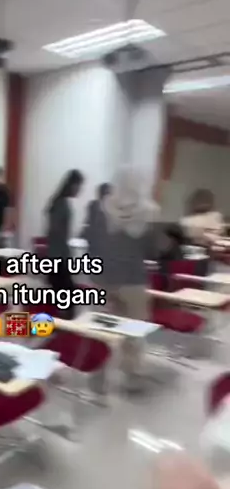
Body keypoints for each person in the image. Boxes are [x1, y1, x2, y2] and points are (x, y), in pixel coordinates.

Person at [102, 165, 158, 385]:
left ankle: (99, 369)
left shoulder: (106, 205)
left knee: (104, 326)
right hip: (134, 278)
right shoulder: (149, 210)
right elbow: (151, 248)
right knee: (134, 328)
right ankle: (131, 373)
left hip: (108, 276)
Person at [45, 169, 85, 318]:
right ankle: (63, 325)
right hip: (58, 257)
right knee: (67, 297)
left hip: (58, 255)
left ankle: (62, 323)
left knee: (65, 297)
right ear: (72, 185)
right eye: (79, 186)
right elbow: (55, 231)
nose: (79, 190)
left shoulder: (59, 202)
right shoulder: (60, 204)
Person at [81, 182, 111, 257]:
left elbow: (88, 221)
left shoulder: (94, 205)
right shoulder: (95, 205)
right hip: (98, 241)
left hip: (98, 241)